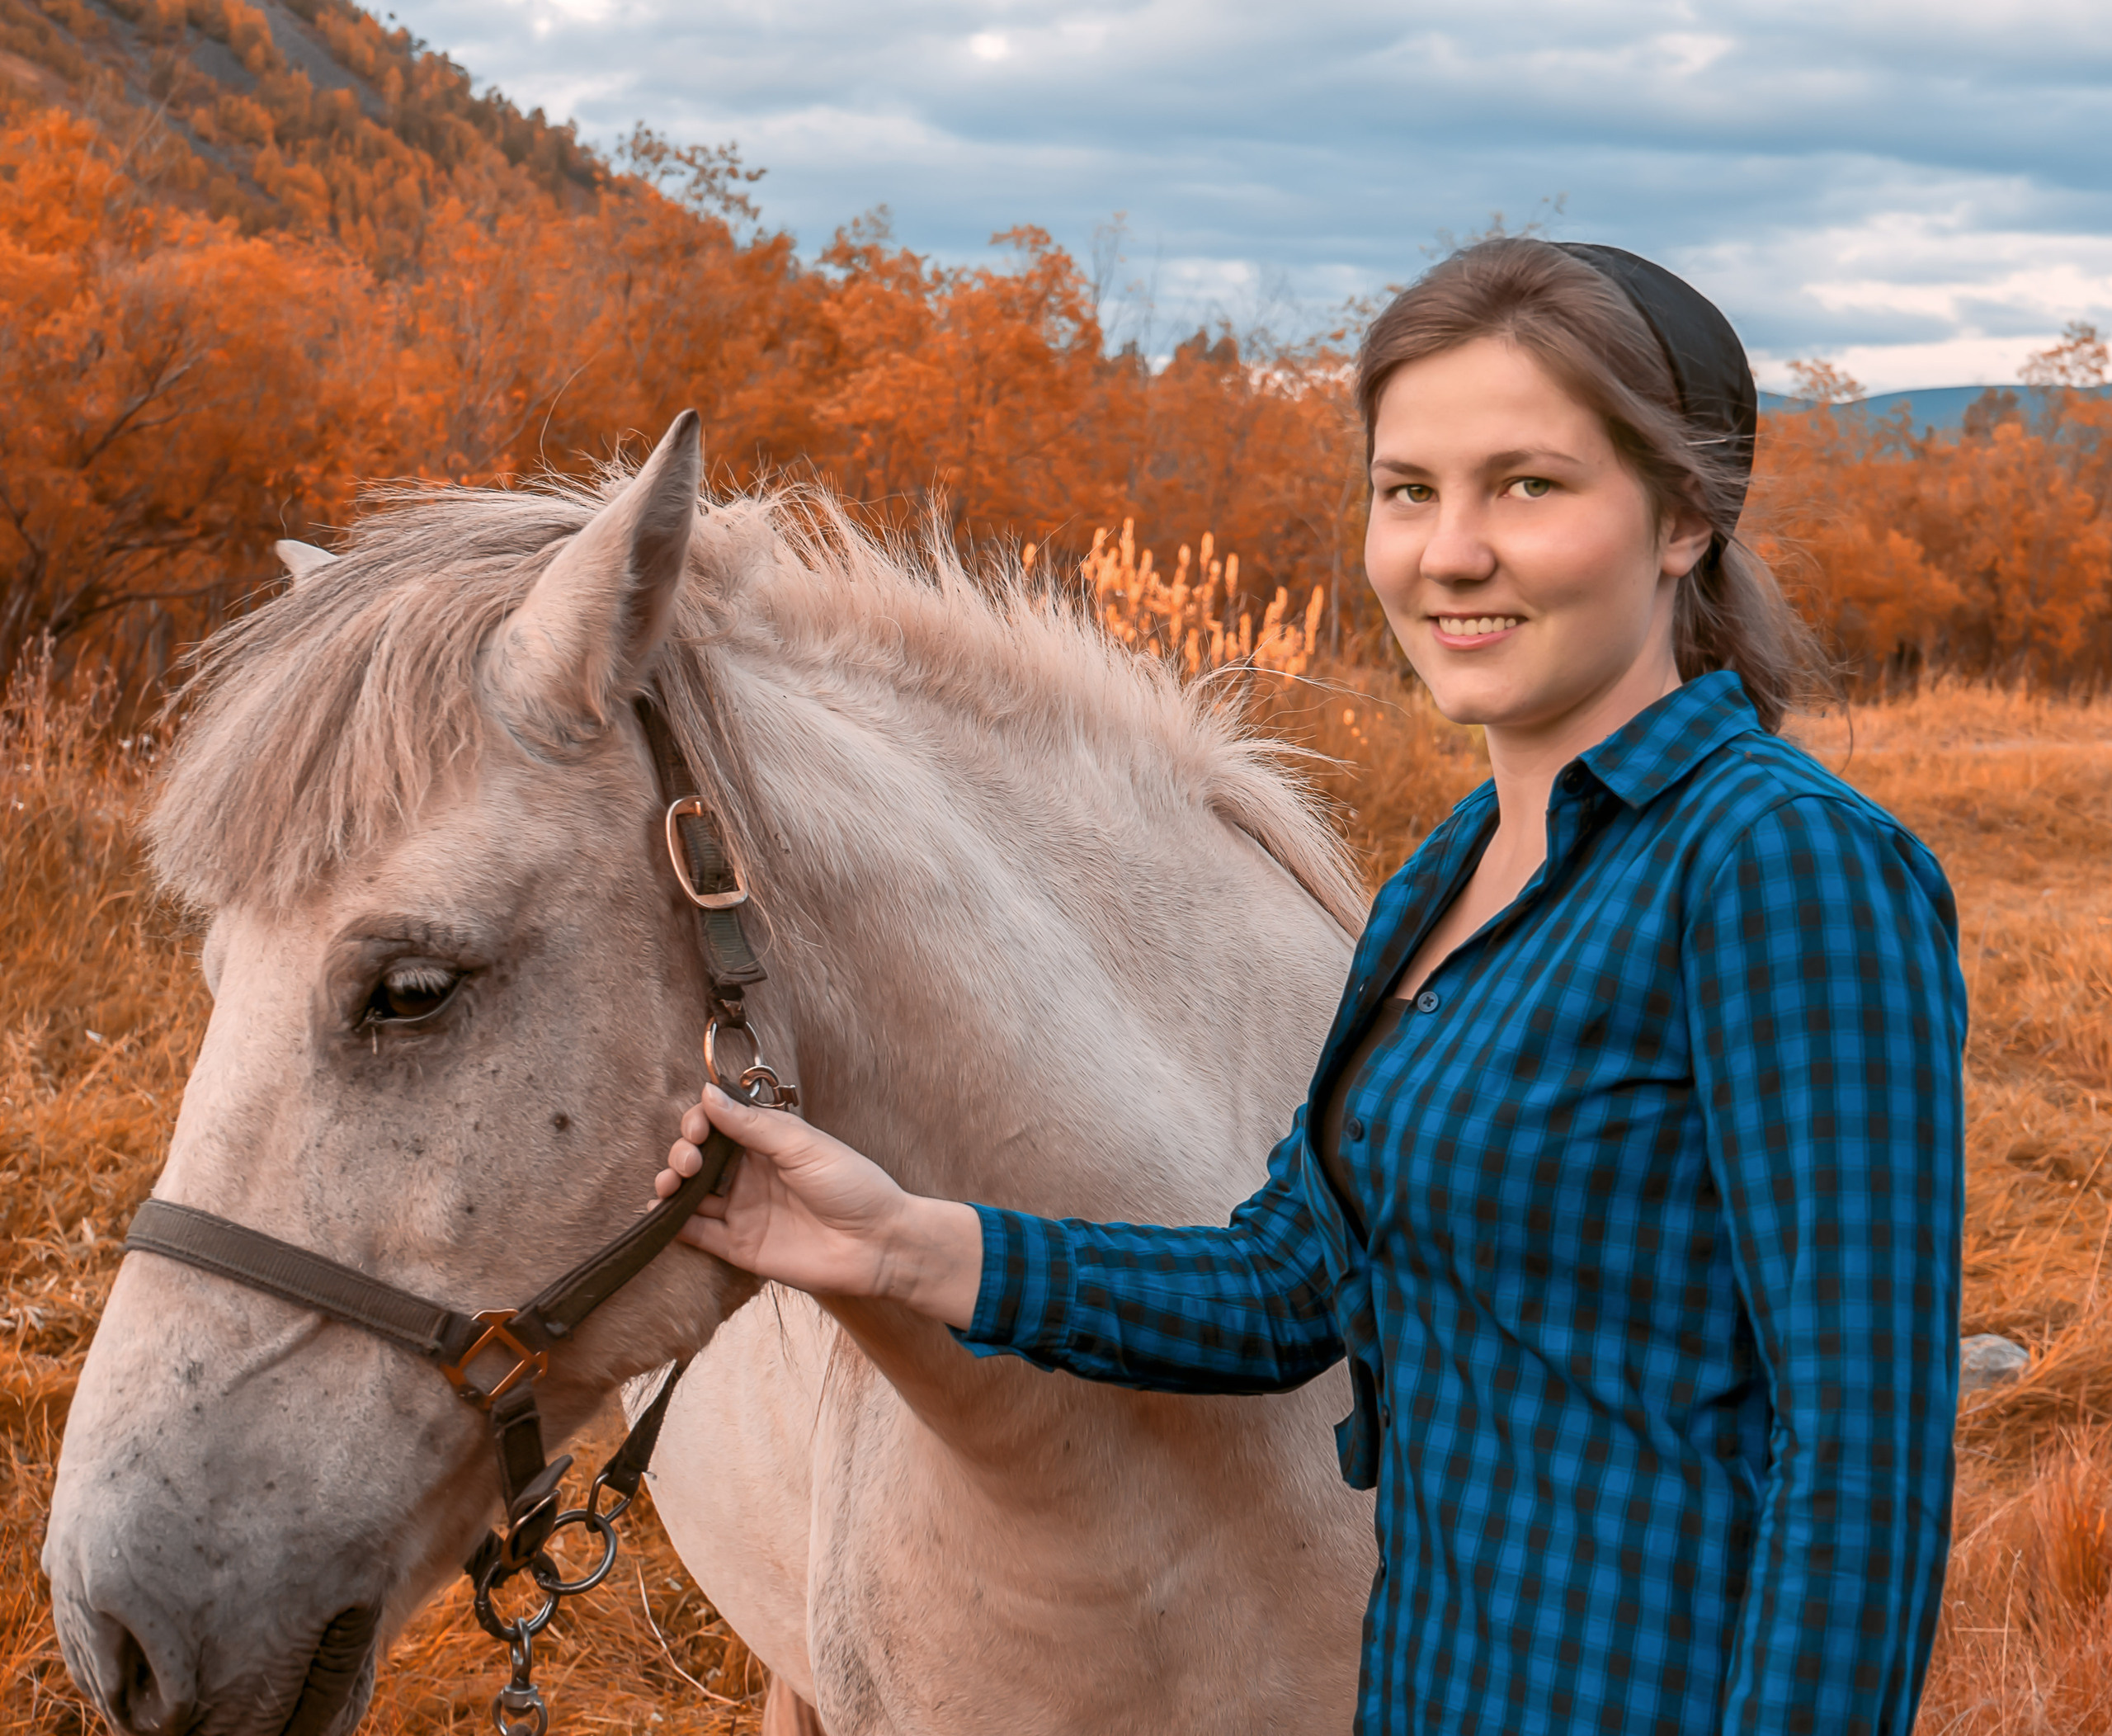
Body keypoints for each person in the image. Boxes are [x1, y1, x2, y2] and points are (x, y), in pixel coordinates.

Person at [654, 238, 1968, 1734]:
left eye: (1527, 485)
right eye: (1409, 490)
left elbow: (1859, 1456)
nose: (1449, 552)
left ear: (1682, 518)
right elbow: (1289, 1288)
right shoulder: (1451, 875)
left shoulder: (1781, 863)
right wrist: (904, 1244)